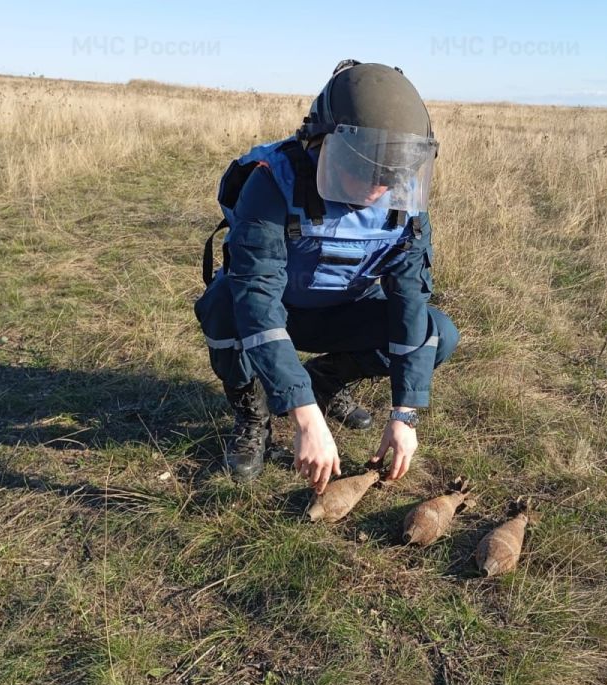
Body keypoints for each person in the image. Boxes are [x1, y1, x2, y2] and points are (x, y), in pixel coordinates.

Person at [193, 59, 459, 492]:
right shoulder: (273, 183)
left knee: (438, 332)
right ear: (320, 143)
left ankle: (326, 380)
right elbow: (257, 300)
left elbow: (409, 298)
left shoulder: (404, 204)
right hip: (277, 311)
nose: (378, 187)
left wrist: (405, 414)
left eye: (391, 174)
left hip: (345, 313)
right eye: (363, 167)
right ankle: (253, 413)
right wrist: (303, 416)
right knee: (223, 303)